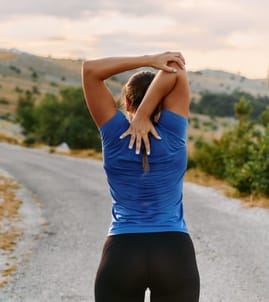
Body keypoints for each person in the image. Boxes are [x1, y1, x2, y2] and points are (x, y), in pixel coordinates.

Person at [81, 52, 200, 302]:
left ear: (126, 99)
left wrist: (148, 59)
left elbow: (90, 70)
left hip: (122, 253)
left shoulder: (114, 133)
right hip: (174, 252)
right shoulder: (173, 129)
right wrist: (146, 113)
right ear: (166, 99)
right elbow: (176, 68)